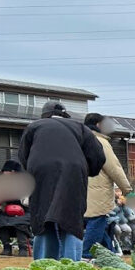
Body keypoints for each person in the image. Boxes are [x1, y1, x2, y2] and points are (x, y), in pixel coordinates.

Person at [18, 100, 106, 261]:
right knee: (71, 221)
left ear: (44, 115)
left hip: (39, 170)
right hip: (73, 171)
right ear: (64, 114)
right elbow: (98, 156)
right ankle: (71, 268)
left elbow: (23, 156)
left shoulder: (34, 126)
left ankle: (44, 269)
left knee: (43, 219)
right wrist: (89, 171)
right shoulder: (80, 127)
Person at [82, 113, 132, 256]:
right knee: (97, 221)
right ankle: (86, 256)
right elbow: (114, 167)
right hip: (98, 190)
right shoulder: (100, 142)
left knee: (102, 225)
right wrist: (127, 189)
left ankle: (109, 255)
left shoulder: (77, 140)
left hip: (80, 188)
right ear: (98, 125)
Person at [0, 160, 31, 256]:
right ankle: (6, 247)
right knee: (0, 221)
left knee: (20, 223)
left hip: (23, 211)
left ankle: (22, 248)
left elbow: (28, 201)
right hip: (6, 211)